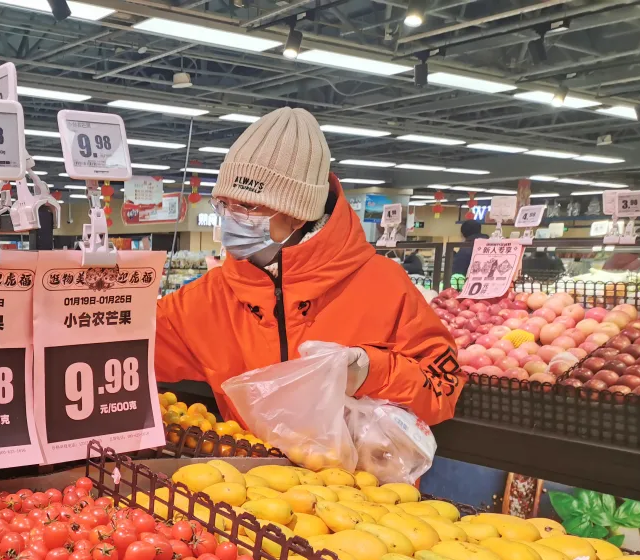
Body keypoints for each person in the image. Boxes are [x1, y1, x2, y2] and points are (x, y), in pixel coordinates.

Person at [155, 107, 461, 425]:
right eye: (223, 203)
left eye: (246, 206)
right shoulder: (208, 298)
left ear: (297, 213)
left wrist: (372, 371)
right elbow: (134, 346)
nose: (230, 217)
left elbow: (444, 388)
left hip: (364, 474)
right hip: (250, 473)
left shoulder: (385, 285)